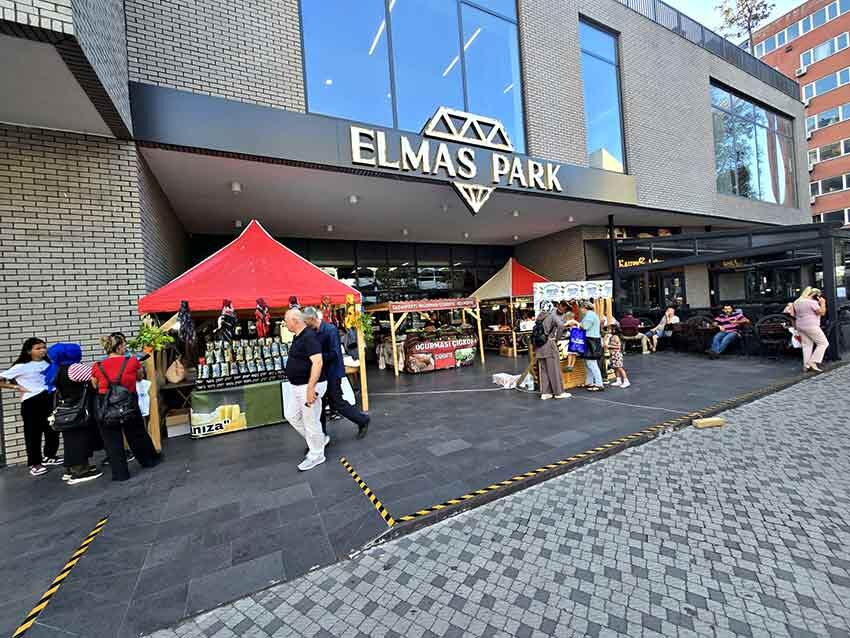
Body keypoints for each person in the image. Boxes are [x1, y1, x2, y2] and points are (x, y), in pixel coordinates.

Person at [91, 333, 160, 481]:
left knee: (112, 440)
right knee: (136, 433)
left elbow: (95, 385)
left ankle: (120, 474)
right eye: (124, 345)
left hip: (105, 404)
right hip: (128, 401)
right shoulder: (132, 361)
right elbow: (139, 377)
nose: (125, 347)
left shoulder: (97, 366)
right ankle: (148, 461)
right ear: (119, 347)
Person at [304, 307, 369, 441]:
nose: (305, 324)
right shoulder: (313, 331)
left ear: (311, 318)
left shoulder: (330, 330)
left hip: (333, 372)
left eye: (305, 321)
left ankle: (362, 420)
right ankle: (320, 435)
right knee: (320, 404)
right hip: (321, 373)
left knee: (337, 402)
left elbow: (334, 353)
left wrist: (317, 357)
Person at [0, 338, 62, 476]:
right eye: (38, 348)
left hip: (50, 398)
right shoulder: (21, 366)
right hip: (32, 401)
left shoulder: (49, 363)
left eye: (44, 347)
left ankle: (50, 456)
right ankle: (35, 463)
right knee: (33, 433)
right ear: (29, 351)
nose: (42, 350)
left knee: (52, 429)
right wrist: (16, 387)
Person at [44, 343, 103, 484]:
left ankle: (70, 470)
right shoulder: (74, 368)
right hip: (79, 410)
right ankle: (80, 471)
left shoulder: (56, 368)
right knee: (79, 440)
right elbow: (98, 374)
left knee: (71, 440)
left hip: (67, 410)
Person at [283, 309, 327, 471]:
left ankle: (317, 454)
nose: (285, 324)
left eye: (286, 321)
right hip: (298, 386)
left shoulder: (309, 337)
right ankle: (319, 440)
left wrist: (310, 388)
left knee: (311, 421)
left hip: (308, 386)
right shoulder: (299, 336)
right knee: (291, 415)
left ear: (295, 321)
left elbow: (318, 362)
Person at [534, 300, 570, 400]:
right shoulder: (552, 315)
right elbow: (561, 326)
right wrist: (557, 338)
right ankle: (558, 392)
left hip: (539, 346)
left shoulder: (539, 316)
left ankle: (545, 393)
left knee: (544, 370)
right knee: (554, 369)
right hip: (549, 344)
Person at [792, 287, 828, 373]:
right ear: (815, 295)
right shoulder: (812, 302)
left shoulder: (797, 302)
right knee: (823, 343)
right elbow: (822, 312)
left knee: (807, 345)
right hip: (811, 325)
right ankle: (812, 362)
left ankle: (806, 366)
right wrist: (823, 303)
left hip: (800, 325)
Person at [580, 301, 605, 391]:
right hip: (593, 340)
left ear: (584, 308)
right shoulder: (592, 314)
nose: (580, 310)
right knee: (589, 363)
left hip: (591, 341)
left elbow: (585, 327)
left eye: (581, 308)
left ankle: (599, 384)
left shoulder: (589, 315)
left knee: (591, 363)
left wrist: (575, 323)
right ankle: (589, 382)